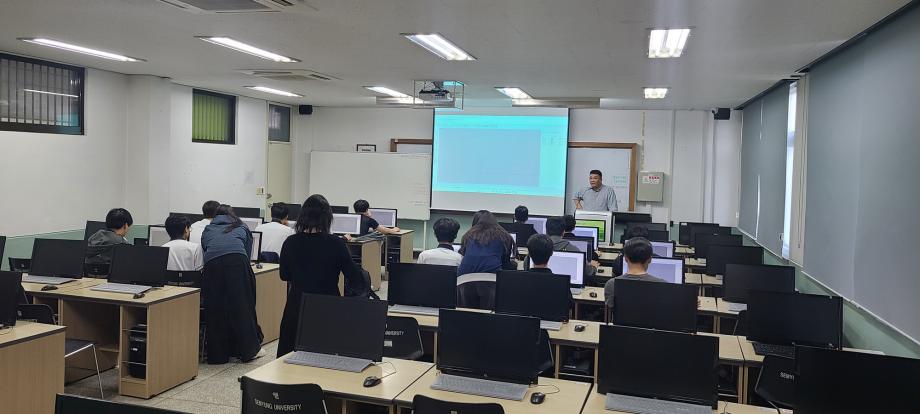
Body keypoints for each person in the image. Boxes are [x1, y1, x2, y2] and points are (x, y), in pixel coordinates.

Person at [277, 194, 368, 357]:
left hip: (297, 305)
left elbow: (284, 275)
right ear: (327, 218)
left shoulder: (290, 242)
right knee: (328, 356)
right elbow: (353, 275)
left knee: (290, 357)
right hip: (328, 305)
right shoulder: (336, 243)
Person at [200, 205, 264, 364]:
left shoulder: (208, 229)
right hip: (237, 261)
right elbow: (247, 254)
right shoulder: (241, 227)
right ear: (232, 215)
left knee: (215, 308)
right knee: (243, 306)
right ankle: (248, 351)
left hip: (212, 266)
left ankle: (218, 355)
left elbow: (206, 249)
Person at [456, 210, 516, 310]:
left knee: (466, 314)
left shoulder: (468, 235)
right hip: (491, 279)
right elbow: (506, 265)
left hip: (463, 279)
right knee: (488, 315)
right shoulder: (504, 236)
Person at [603, 237, 667, 309]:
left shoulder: (612, 284)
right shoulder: (664, 285)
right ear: (650, 259)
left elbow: (610, 311)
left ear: (625, 258)